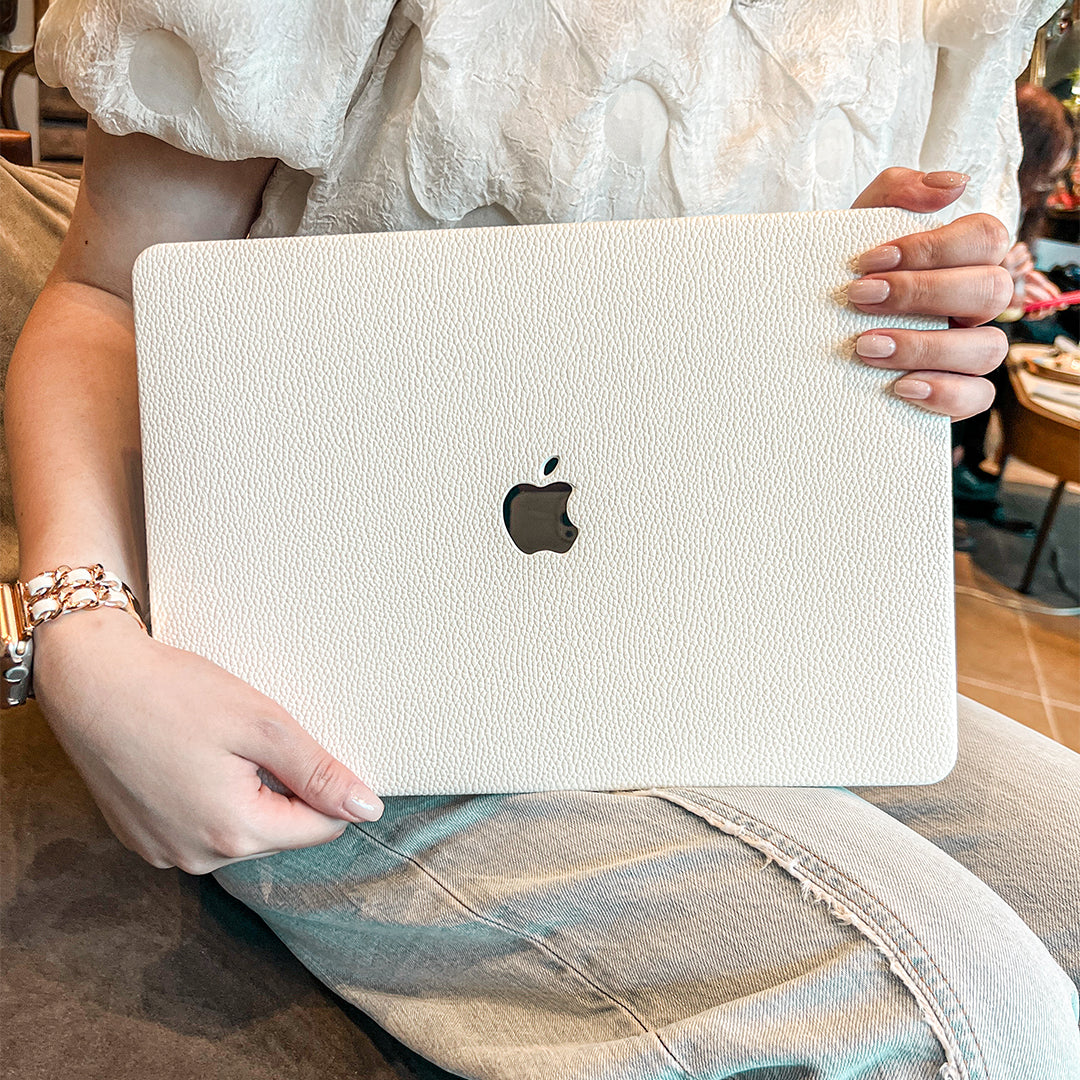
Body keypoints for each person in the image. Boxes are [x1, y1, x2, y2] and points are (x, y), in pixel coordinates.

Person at [6, 1, 1080, 1076]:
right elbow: (110, 291)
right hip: (348, 682)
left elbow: (771, 343)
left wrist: (854, 318)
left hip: (729, 639)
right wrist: (77, 633)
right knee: (969, 1017)